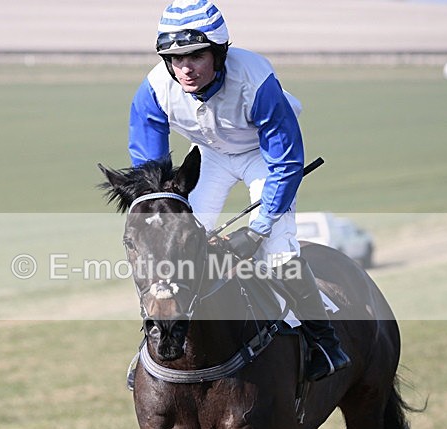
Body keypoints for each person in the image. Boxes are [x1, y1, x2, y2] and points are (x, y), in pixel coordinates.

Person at [128, 0, 350, 381]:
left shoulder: (256, 80)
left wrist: (258, 229)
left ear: (219, 53)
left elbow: (285, 164)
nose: (185, 68)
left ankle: (325, 342)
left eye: (196, 56)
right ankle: (159, 340)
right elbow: (151, 174)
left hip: (261, 155)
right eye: (175, 58)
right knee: (172, 250)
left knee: (277, 254)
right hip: (209, 156)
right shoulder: (152, 90)